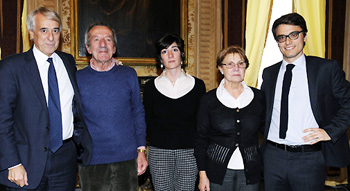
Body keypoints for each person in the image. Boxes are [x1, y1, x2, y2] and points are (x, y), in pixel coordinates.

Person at [0, 7, 92, 190]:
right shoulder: (11, 67)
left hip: (65, 159)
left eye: (55, 30)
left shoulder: (68, 61)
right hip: (25, 163)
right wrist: (12, 163)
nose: (51, 37)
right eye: (44, 30)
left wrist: (111, 65)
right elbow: (2, 120)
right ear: (31, 33)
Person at [260, 13, 350, 191]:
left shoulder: (326, 69)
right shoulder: (269, 73)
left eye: (294, 34)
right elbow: (262, 110)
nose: (288, 41)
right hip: (273, 158)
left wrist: (330, 131)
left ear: (305, 36)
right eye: (282, 37)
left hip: (309, 159)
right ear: (277, 42)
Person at [76, 22, 148, 191]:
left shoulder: (129, 74)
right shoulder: (77, 78)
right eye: (96, 39)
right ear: (88, 47)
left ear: (114, 48)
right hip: (91, 160)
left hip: (127, 159)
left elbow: (138, 112)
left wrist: (141, 150)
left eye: (108, 40)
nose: (102, 44)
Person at [194, 46, 264, 191]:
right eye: (230, 64)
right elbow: (201, 139)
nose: (236, 68)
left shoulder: (259, 98)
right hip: (217, 174)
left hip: (250, 172)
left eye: (240, 63)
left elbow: (268, 131)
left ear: (246, 67)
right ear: (220, 68)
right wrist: (202, 174)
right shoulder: (208, 100)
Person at [143, 34, 206, 190]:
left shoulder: (198, 86)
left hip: (189, 154)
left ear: (182, 54)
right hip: (159, 154)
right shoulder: (151, 87)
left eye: (174, 49)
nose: (170, 55)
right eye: (164, 51)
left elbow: (201, 124)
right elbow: (148, 122)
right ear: (160, 58)